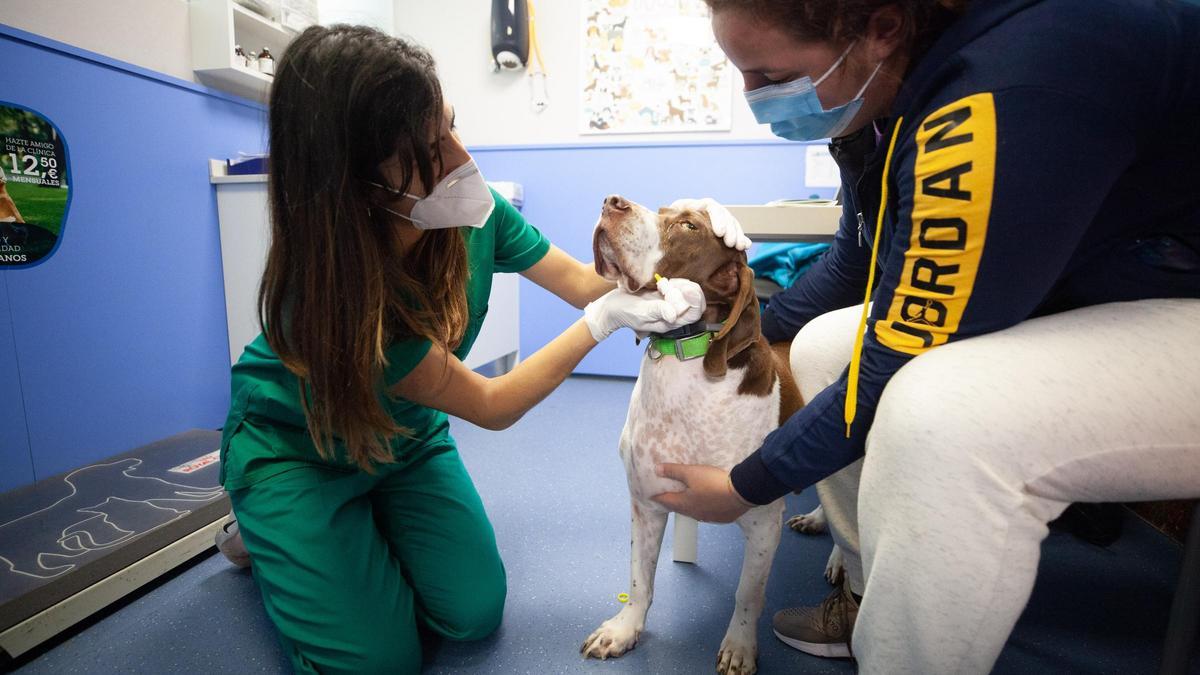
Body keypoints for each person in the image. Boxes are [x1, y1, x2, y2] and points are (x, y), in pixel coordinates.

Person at [652, 1, 1200, 672]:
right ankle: (867, 593)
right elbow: (857, 260)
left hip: (1173, 295)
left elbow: (897, 353)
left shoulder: (1007, 86)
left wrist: (744, 485)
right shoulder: (889, 91)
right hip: (1107, 277)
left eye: (769, 74)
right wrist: (747, 332)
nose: (755, 98)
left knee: (941, 415)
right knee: (826, 346)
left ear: (879, 28)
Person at [215, 24, 747, 674]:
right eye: (431, 145)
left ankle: (366, 524)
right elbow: (493, 405)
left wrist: (658, 266)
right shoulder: (342, 298)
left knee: (473, 610)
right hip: (299, 451)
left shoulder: (473, 213)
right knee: (378, 662)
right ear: (361, 178)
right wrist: (604, 320)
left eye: (452, 125)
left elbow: (583, 282)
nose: (463, 157)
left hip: (405, 441)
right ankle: (266, 531)